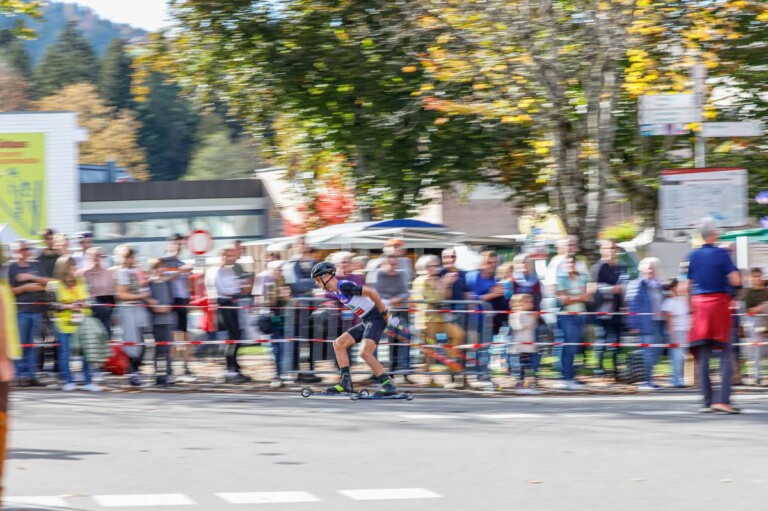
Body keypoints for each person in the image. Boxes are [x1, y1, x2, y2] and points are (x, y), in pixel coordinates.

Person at [311, 262, 398, 396]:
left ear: (327, 276)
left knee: (365, 353)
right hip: (367, 320)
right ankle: (345, 382)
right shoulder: (337, 291)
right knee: (338, 344)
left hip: (375, 319)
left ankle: (388, 385)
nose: (317, 283)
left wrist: (385, 312)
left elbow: (371, 292)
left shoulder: (344, 286)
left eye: (318, 279)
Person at [687, 217, 742, 413]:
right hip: (718, 305)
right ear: (713, 234)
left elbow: (688, 285)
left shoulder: (692, 255)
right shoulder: (721, 253)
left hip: (699, 307)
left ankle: (707, 401)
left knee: (703, 355)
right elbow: (735, 279)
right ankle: (723, 400)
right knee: (726, 352)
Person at [48, 255, 101, 392]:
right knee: (65, 353)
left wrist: (84, 303)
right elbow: (52, 305)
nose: (75, 268)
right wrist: (69, 306)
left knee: (87, 353)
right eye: (72, 266)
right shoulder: (54, 285)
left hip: (82, 322)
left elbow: (92, 300)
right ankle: (67, 381)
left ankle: (88, 381)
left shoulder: (82, 281)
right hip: (64, 324)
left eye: (75, 265)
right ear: (64, 269)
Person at [8, 240, 49, 387]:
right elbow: (9, 291)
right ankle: (19, 375)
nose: (26, 252)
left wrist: (31, 279)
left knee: (32, 344)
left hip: (36, 310)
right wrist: (26, 287)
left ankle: (32, 375)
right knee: (21, 344)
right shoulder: (11, 267)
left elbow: (47, 284)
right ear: (16, 251)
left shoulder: (36, 265)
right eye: (22, 249)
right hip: (20, 311)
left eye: (27, 249)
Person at [591, 238, 628, 380]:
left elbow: (624, 286)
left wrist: (625, 305)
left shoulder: (620, 267)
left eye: (614, 248)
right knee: (602, 340)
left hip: (618, 310)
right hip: (602, 310)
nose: (612, 251)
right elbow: (595, 287)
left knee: (617, 341)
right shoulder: (598, 267)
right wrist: (613, 289)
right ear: (602, 250)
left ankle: (615, 369)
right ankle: (599, 369)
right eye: (608, 248)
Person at [214, 245, 252, 384]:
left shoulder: (230, 272)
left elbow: (239, 287)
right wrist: (236, 289)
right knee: (232, 338)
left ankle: (235, 367)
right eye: (227, 256)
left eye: (231, 256)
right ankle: (230, 369)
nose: (230, 259)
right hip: (225, 305)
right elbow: (224, 290)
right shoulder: (217, 272)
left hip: (234, 304)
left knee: (237, 337)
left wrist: (239, 288)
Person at [625, 257, 664, 391]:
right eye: (649, 268)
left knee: (656, 352)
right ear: (642, 270)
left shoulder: (658, 284)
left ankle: (649, 379)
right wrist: (633, 324)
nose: (651, 270)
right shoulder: (637, 284)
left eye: (653, 268)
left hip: (658, 322)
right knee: (648, 352)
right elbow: (632, 305)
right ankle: (646, 381)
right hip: (645, 323)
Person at [115, 247, 151, 387]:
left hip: (138, 308)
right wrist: (141, 296)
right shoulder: (122, 272)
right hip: (128, 309)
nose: (133, 260)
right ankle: (133, 372)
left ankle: (136, 371)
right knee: (132, 341)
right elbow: (121, 294)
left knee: (142, 341)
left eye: (133, 257)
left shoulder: (136, 271)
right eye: (130, 257)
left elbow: (143, 288)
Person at [555, 255, 592, 391]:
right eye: (568, 262)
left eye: (572, 262)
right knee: (568, 347)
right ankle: (567, 378)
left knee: (575, 348)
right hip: (567, 316)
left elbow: (587, 296)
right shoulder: (561, 278)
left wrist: (573, 297)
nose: (570, 264)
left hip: (581, 315)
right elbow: (564, 300)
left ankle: (570, 376)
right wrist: (579, 297)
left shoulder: (582, 277)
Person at [373, 253, 411, 379]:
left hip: (398, 313)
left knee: (404, 336)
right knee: (376, 340)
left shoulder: (401, 275)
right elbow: (375, 293)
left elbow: (405, 293)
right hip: (381, 314)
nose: (393, 267)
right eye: (391, 264)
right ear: (384, 264)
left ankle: (404, 371)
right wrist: (387, 302)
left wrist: (390, 301)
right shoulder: (378, 275)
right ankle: (378, 372)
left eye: (395, 264)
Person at [160, 234, 194, 379]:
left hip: (182, 301)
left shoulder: (181, 262)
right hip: (169, 300)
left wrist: (189, 299)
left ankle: (186, 368)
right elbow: (162, 278)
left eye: (180, 244)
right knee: (172, 337)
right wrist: (179, 271)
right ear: (169, 245)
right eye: (175, 244)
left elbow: (188, 284)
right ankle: (170, 368)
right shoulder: (163, 262)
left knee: (184, 336)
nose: (178, 247)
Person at [147, 258, 176, 386]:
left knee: (167, 348)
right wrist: (155, 307)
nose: (161, 269)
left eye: (162, 267)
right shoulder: (150, 284)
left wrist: (168, 307)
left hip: (168, 319)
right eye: (158, 267)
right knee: (159, 349)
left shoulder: (167, 283)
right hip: (156, 321)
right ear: (153, 269)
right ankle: (159, 375)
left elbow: (170, 300)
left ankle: (168, 373)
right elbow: (148, 300)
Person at [77, 247, 115, 338]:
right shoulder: (81, 273)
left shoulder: (108, 272)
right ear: (87, 257)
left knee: (105, 333)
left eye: (99, 255)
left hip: (105, 307)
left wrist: (111, 309)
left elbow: (111, 292)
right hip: (89, 307)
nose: (96, 258)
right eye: (93, 256)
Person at [509, 293, 540, 394]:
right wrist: (532, 319)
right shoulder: (515, 315)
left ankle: (527, 386)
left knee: (528, 367)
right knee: (523, 367)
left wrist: (534, 318)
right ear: (518, 304)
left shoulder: (529, 314)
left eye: (531, 302)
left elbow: (533, 327)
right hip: (520, 347)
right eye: (526, 302)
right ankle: (522, 386)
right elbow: (519, 326)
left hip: (529, 346)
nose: (530, 304)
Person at [662, 278, 690, 388]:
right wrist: (672, 333)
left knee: (682, 357)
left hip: (684, 330)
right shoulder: (669, 302)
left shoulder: (683, 300)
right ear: (673, 288)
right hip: (676, 331)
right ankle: (676, 380)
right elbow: (668, 319)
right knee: (676, 357)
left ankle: (680, 378)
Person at [742, 267, 768, 384]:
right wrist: (760, 308)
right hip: (755, 322)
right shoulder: (749, 293)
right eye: (755, 276)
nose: (757, 279)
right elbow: (748, 311)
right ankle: (756, 375)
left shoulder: (766, 291)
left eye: (759, 276)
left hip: (766, 320)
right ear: (751, 278)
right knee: (756, 349)